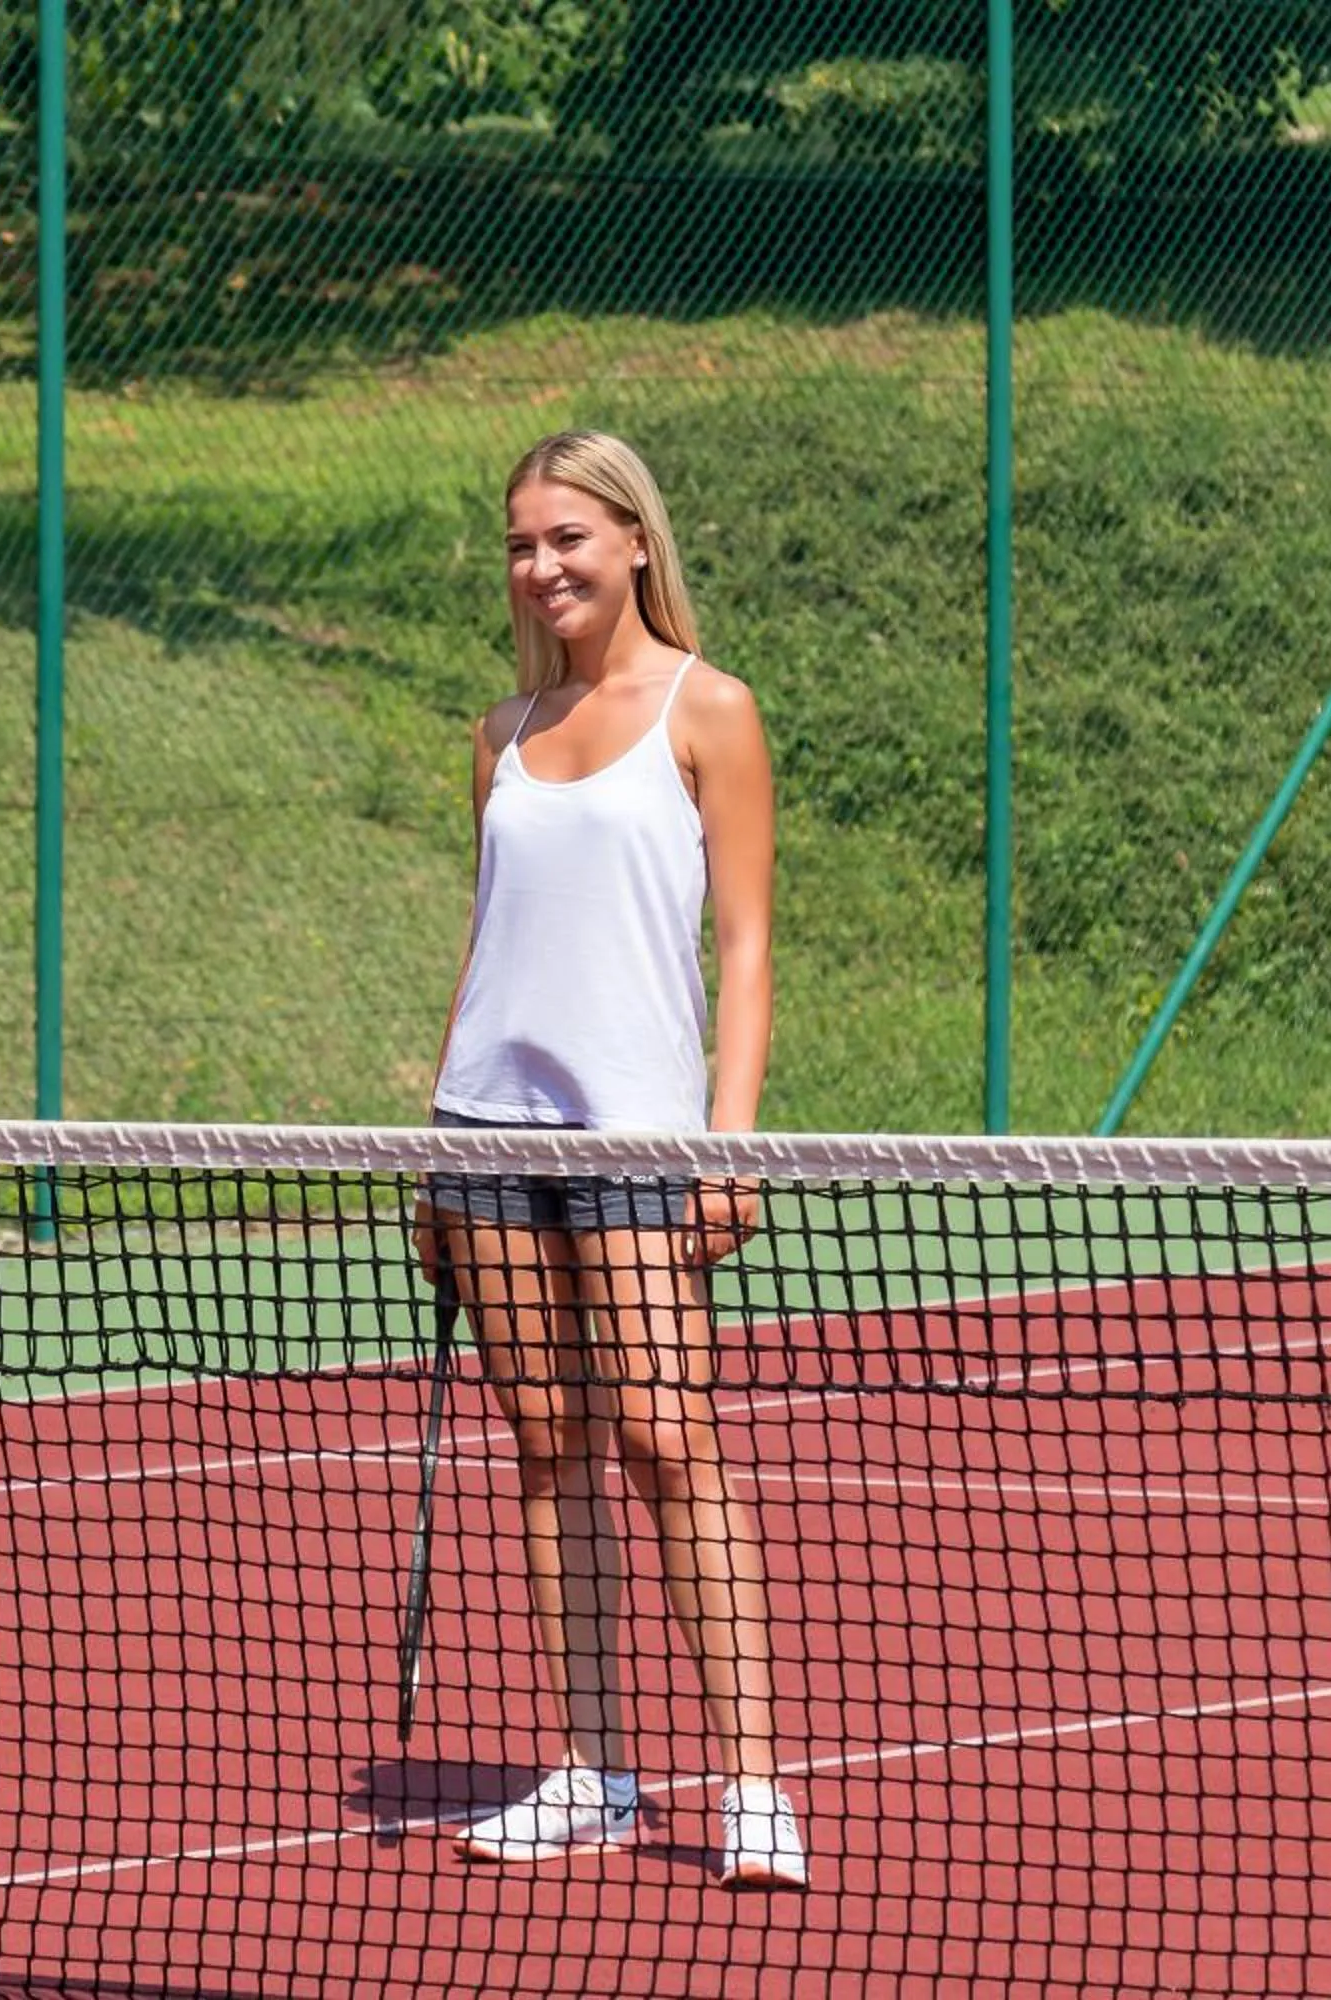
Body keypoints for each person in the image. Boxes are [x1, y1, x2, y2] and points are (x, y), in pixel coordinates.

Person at [418, 429, 805, 1887]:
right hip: (484, 1138)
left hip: (641, 1135)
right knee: (546, 1443)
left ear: (635, 538)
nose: (543, 566)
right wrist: (429, 1154)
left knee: (666, 1435)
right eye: (522, 544)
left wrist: (732, 1139)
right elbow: (488, 943)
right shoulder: (500, 734)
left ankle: (752, 1783)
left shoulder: (712, 711)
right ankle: (590, 1763)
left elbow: (748, 944)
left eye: (567, 537)